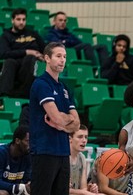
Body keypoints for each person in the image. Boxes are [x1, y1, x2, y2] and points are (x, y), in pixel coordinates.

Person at [29, 42, 80, 195]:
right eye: (58, 56)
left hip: (63, 152)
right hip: (44, 150)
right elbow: (55, 117)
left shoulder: (64, 88)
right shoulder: (41, 84)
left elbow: (76, 124)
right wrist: (64, 121)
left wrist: (61, 125)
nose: (62, 60)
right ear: (47, 58)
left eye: (64, 56)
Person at [0, 8, 45, 98]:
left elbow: (45, 48)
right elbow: (4, 54)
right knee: (9, 62)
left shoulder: (33, 34)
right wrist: (27, 52)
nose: (21, 22)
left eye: (23, 20)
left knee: (30, 59)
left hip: (30, 62)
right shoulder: (6, 36)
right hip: (15, 62)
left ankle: (25, 94)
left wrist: (42, 56)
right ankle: (4, 97)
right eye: (18, 19)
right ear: (12, 20)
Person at [69, 124, 105, 195]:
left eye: (86, 137)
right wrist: (83, 192)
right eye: (80, 137)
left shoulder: (82, 157)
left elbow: (83, 188)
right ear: (70, 139)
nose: (84, 140)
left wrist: (89, 189)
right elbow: (60, 189)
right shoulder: (62, 158)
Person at [0, 125, 31, 195]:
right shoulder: (2, 153)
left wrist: (29, 185)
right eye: (27, 141)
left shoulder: (28, 155)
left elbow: (27, 178)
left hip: (13, 189)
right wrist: (16, 187)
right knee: (3, 193)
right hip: (5, 189)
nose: (30, 145)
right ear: (17, 141)